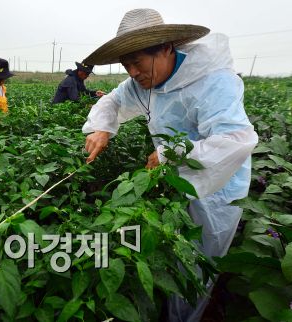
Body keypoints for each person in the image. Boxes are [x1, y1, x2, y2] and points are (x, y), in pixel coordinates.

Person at [81, 8, 258, 322]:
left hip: (217, 186)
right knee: (175, 248)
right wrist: (102, 127)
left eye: (137, 62)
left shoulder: (212, 81)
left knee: (198, 262)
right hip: (174, 177)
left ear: (165, 48)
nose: (132, 72)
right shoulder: (143, 81)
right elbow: (114, 100)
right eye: (126, 65)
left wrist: (169, 153)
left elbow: (237, 139)